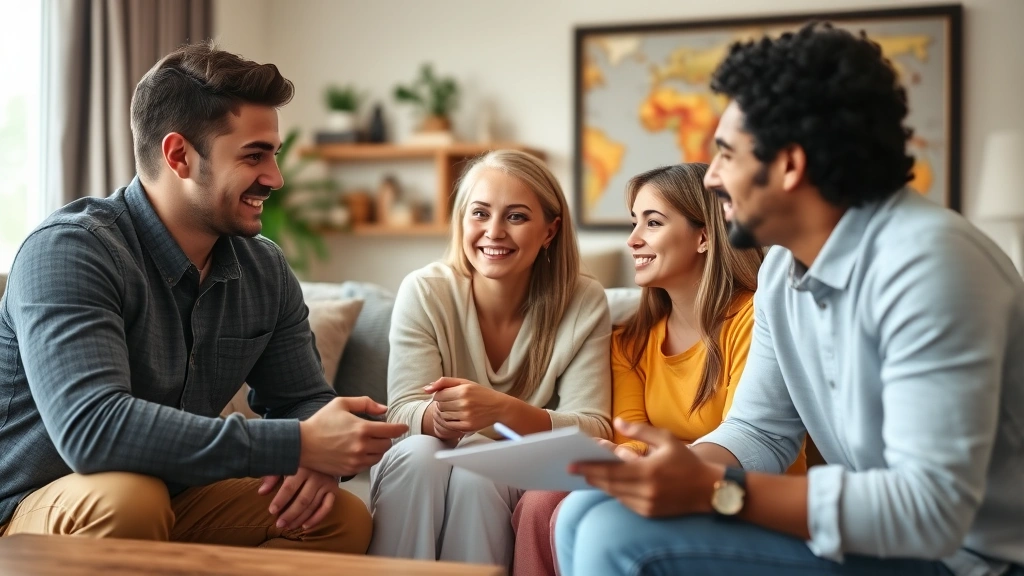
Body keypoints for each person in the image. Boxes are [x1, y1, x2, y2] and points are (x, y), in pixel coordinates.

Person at [555, 22, 1024, 576]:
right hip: (882, 546)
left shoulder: (931, 266)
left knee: (616, 536)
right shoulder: (783, 266)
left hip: (971, 561)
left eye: (727, 156)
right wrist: (673, 471)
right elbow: (760, 430)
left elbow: (930, 511)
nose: (712, 180)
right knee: (584, 510)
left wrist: (713, 488)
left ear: (790, 164)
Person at [0, 42, 408, 550]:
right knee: (130, 500)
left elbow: (302, 399)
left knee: (336, 517)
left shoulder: (263, 267)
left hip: (176, 496)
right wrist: (298, 444)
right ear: (179, 156)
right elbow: (93, 431)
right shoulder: (70, 251)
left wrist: (319, 458)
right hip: (29, 509)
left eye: (274, 155)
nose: (275, 179)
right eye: (254, 156)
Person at [512, 163, 806, 576]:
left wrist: (640, 459)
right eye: (635, 223)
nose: (633, 240)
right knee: (539, 500)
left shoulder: (755, 320)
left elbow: (749, 438)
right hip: (658, 478)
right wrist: (618, 454)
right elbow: (628, 430)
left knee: (579, 508)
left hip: (738, 491)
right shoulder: (630, 340)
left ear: (704, 236)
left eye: (652, 222)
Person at [368, 149, 612, 569]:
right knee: (420, 455)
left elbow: (593, 427)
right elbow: (402, 413)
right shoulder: (425, 291)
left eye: (516, 217)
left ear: (550, 231)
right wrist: (442, 419)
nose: (494, 232)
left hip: (511, 470)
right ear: (462, 220)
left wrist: (501, 412)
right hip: (423, 457)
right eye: (479, 214)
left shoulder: (583, 300)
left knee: (480, 470)